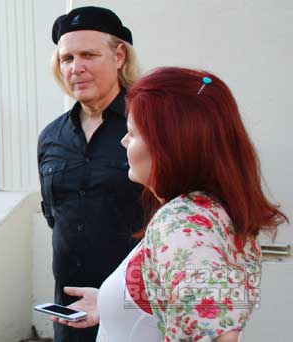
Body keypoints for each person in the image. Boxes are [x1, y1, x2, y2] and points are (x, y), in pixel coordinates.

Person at [52, 67, 288, 341]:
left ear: (169, 146)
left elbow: (218, 333)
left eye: (132, 133)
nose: (124, 141)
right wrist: (111, 301)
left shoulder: (181, 222)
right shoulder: (215, 211)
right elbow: (175, 297)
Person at [38, 6, 144, 341]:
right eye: (67, 58)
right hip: (70, 313)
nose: (76, 67)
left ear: (119, 56)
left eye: (89, 55)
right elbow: (55, 216)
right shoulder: (51, 137)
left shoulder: (149, 127)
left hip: (135, 313)